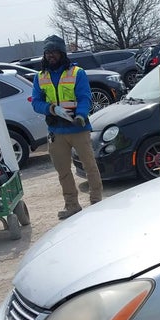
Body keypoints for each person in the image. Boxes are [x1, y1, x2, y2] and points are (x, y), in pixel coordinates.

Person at [31, 35, 103, 219]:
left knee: (90, 166)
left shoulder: (77, 73)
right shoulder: (40, 77)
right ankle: (71, 205)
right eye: (47, 52)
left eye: (54, 52)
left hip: (78, 128)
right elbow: (36, 102)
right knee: (63, 171)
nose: (50, 55)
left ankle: (97, 201)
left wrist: (80, 115)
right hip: (56, 131)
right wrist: (51, 109)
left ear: (62, 53)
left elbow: (85, 97)